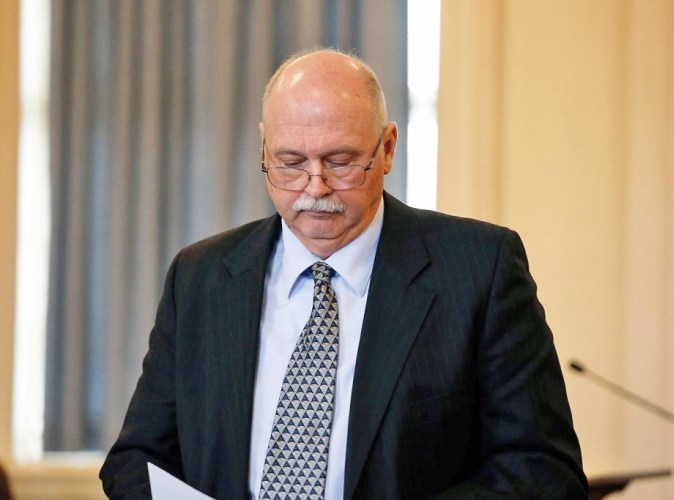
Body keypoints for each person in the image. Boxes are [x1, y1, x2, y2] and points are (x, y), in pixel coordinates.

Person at [100, 48, 587, 499]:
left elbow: (544, 471)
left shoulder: (480, 268)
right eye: (290, 163)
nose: (316, 187)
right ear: (264, 150)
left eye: (341, 161)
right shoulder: (200, 277)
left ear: (388, 148)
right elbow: (135, 460)